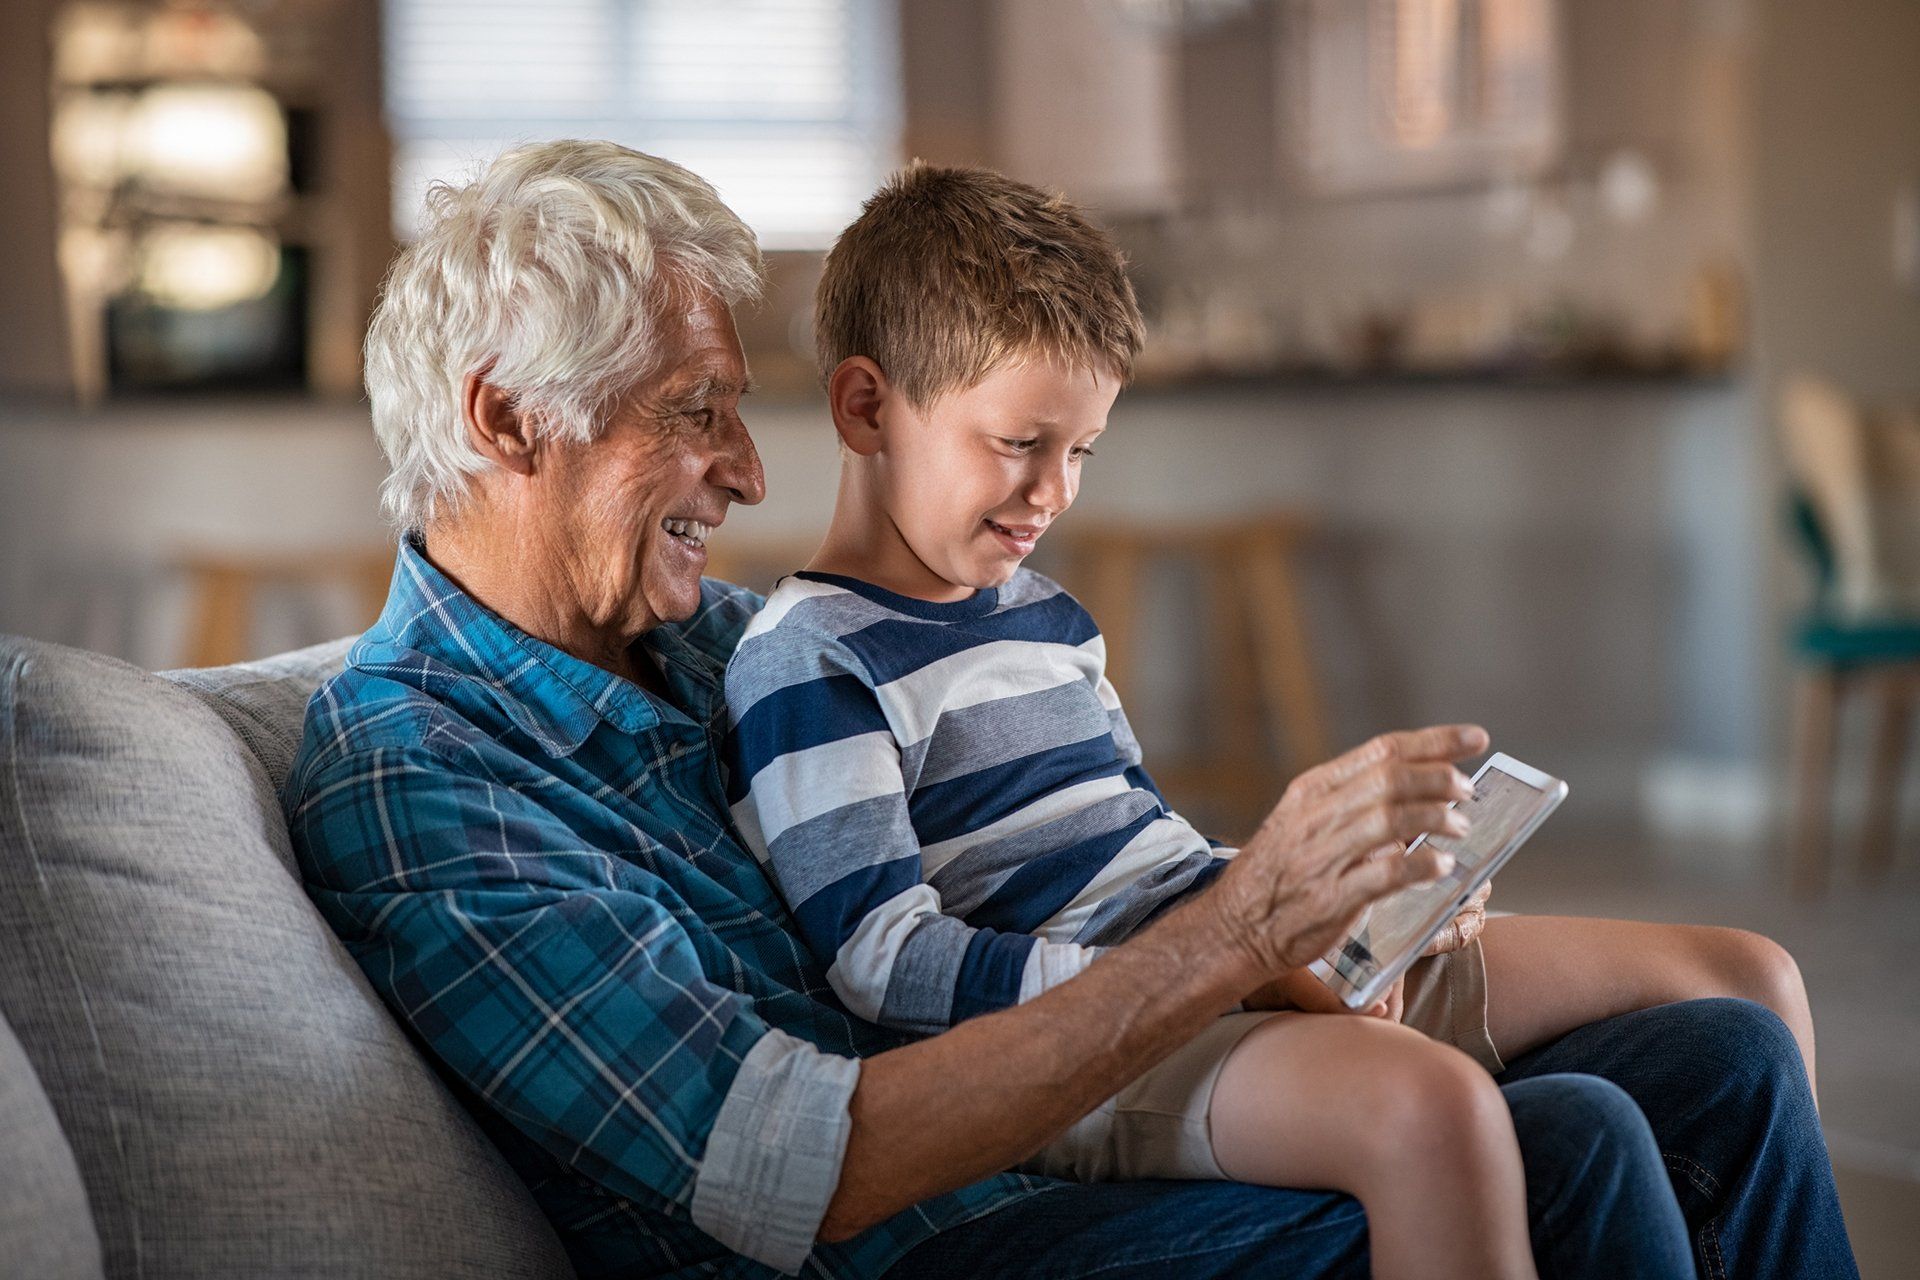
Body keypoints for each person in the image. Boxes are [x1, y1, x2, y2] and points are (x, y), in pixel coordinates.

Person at [283, 139, 1858, 1279]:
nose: (749, 473)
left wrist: (1330, 912)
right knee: (1552, 1143)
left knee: (1711, 1052)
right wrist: (1239, 941)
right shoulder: (421, 771)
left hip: (1056, 1142)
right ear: (506, 418)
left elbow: (1077, 850)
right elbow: (805, 1167)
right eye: (695, 414)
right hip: (928, 1241)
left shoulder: (712, 638)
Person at [720, 163, 1840, 1279]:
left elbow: (1145, 849)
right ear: (867, 406)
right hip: (1106, 1045)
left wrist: (1344, 893)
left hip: (1236, 964)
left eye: (1083, 452)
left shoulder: (1045, 617)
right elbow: (885, 961)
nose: (1056, 492)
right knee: (1429, 1106)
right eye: (1021, 443)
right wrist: (1225, 962)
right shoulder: (810, 659)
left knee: (1747, 978)